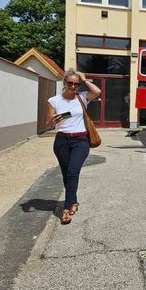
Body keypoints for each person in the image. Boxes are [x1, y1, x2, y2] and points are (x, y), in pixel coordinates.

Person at [46, 69, 101, 225]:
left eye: (76, 84)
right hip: (62, 141)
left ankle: (66, 208)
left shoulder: (82, 97)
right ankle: (74, 201)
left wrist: (84, 80)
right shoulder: (53, 101)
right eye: (70, 83)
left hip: (80, 140)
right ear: (64, 83)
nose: (73, 86)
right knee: (66, 174)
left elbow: (97, 91)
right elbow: (47, 122)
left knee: (72, 171)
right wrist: (53, 121)